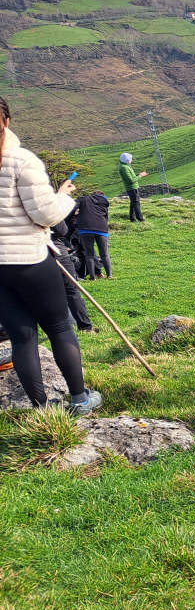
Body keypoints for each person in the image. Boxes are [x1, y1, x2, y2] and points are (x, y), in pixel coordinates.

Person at [0, 96, 102, 412]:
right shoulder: (21, 160)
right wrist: (63, 196)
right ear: (6, 120)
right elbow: (46, 216)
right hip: (29, 259)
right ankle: (80, 398)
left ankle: (41, 409)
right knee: (58, 326)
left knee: (22, 336)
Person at [50, 219, 93, 332]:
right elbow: (62, 229)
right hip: (52, 247)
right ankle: (85, 327)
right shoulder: (43, 202)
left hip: (18, 252)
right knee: (71, 289)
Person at [69, 189, 112, 279]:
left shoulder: (83, 199)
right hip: (102, 228)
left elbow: (72, 207)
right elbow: (106, 217)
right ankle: (109, 275)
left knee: (89, 254)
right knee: (105, 254)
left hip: (86, 229)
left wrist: (70, 217)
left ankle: (93, 277)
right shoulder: (104, 202)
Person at [118, 152, 148, 223]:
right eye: (131, 159)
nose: (132, 160)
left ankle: (132, 218)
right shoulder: (124, 168)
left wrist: (139, 175)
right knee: (136, 203)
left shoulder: (124, 165)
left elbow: (131, 178)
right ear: (127, 160)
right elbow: (131, 180)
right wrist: (141, 176)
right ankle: (140, 219)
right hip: (132, 188)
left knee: (133, 203)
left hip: (132, 187)